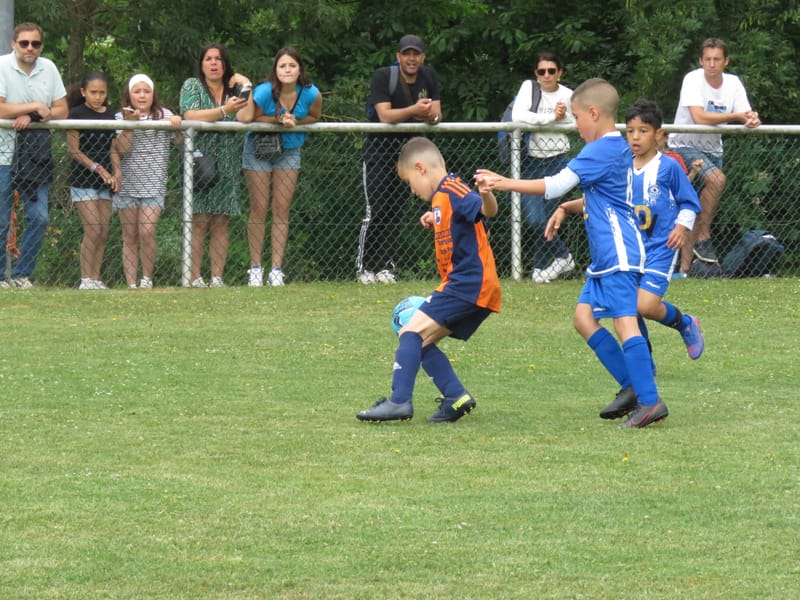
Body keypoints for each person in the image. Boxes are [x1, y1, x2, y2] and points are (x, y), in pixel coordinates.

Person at [477, 79, 666, 428]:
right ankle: (632, 385)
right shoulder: (616, 148)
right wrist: (566, 209)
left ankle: (650, 400)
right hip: (606, 256)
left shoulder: (601, 150)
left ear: (594, 114)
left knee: (625, 323)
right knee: (583, 318)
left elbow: (554, 185)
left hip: (619, 251)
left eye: (577, 117)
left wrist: (503, 182)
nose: (575, 125)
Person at [551, 99, 705, 419]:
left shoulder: (669, 167)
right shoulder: (623, 164)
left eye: (643, 131)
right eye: (631, 130)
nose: (635, 137)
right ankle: (639, 377)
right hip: (631, 250)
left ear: (659, 135)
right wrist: (568, 206)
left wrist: (680, 225)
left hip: (660, 248)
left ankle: (684, 322)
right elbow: (598, 197)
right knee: (628, 309)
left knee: (643, 307)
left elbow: (690, 203)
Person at [357, 137, 501, 423]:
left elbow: (486, 211)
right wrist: (436, 218)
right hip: (470, 284)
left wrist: (486, 194)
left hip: (468, 283)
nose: (412, 191)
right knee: (420, 343)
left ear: (421, 168)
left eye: (411, 183)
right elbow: (457, 219)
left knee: (409, 333)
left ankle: (399, 402)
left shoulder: (452, 188)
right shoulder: (441, 199)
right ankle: (455, 397)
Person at [669, 37, 761, 273]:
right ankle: (704, 237)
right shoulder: (692, 79)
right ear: (701, 61)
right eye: (707, 59)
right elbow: (699, 117)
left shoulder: (733, 83)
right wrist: (737, 116)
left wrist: (751, 118)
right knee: (717, 179)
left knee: (693, 210)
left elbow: (745, 113)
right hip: (684, 144)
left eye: (716, 59)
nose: (711, 64)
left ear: (725, 61)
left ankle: (685, 270)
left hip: (712, 149)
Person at [357, 34, 442, 285]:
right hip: (379, 152)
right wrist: (415, 111)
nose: (412, 58)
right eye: (407, 54)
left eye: (416, 54)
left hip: (409, 154)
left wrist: (429, 116)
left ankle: (386, 266)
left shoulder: (429, 76)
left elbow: (437, 114)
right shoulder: (384, 76)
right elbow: (385, 115)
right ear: (399, 57)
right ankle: (364, 267)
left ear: (423, 57)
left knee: (396, 210)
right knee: (376, 209)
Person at [237, 46, 322, 287]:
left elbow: (315, 116)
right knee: (259, 207)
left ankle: (276, 269)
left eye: (292, 65)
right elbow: (244, 118)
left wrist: (295, 120)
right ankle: (255, 268)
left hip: (290, 149)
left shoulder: (311, 93)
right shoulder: (265, 91)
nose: (287, 70)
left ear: (299, 69)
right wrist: (277, 119)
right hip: (259, 149)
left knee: (282, 209)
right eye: (282, 65)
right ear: (276, 69)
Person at [0, 22, 67, 288]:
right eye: (24, 43)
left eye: (35, 43)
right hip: (3, 156)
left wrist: (34, 114)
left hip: (35, 158)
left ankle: (20, 274)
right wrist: (34, 106)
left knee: (40, 217)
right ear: (13, 44)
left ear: (41, 45)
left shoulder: (48, 68)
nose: (30, 48)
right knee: (1, 220)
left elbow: (61, 109)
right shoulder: (2, 66)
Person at [180, 43, 251, 288]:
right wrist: (223, 110)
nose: (213, 63)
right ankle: (195, 277)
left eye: (218, 59)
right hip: (200, 161)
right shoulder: (192, 85)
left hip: (229, 160)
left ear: (225, 64)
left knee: (221, 220)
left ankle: (217, 277)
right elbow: (190, 115)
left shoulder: (235, 90)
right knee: (199, 220)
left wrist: (247, 85)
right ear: (201, 64)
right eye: (208, 59)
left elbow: (244, 116)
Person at [510, 51, 576, 283]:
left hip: (558, 159)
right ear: (535, 73)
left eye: (551, 71)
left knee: (549, 217)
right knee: (535, 218)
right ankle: (563, 256)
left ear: (560, 73)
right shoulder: (529, 88)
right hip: (531, 160)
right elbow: (518, 116)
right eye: (542, 71)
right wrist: (550, 119)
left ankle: (539, 268)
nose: (546, 75)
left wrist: (563, 117)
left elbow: (576, 123)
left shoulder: (568, 94)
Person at [114, 73, 182, 289]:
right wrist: (129, 125)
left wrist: (177, 124)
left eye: (146, 91)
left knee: (147, 230)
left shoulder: (164, 114)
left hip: (154, 183)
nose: (142, 96)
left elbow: (180, 141)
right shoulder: (119, 117)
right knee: (130, 235)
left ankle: (147, 278)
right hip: (127, 184)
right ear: (129, 94)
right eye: (137, 91)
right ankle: (131, 284)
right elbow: (121, 149)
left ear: (153, 94)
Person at [66, 71, 118, 290]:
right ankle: (85, 278)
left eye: (102, 93)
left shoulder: (112, 115)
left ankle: (96, 279)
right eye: (93, 92)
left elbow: (114, 148)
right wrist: (98, 169)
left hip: (106, 180)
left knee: (104, 230)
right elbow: (73, 150)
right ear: (83, 92)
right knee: (93, 228)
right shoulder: (76, 114)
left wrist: (116, 174)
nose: (98, 97)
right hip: (82, 178)